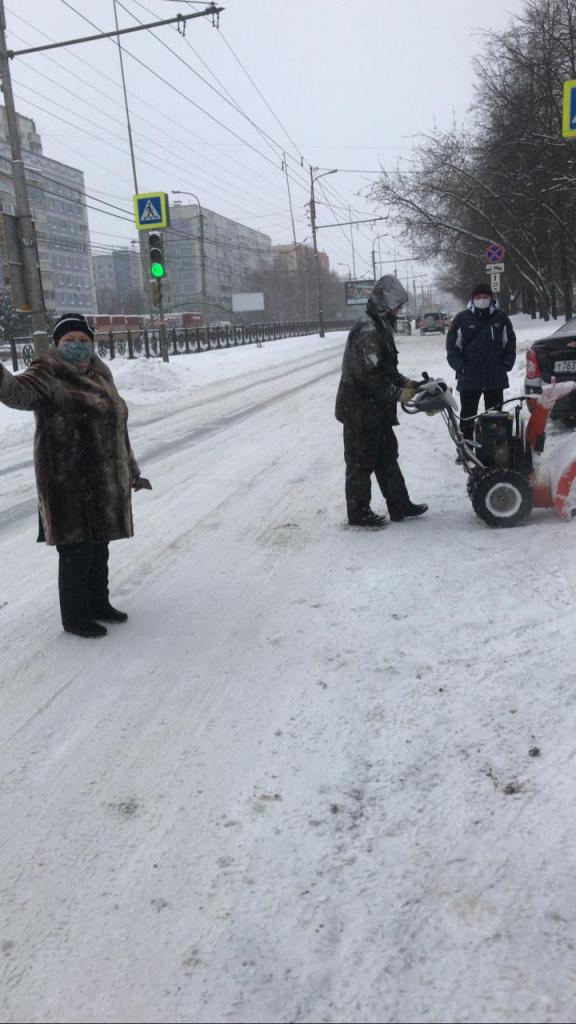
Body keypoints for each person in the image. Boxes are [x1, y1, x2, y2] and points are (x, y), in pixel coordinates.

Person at [0, 313, 150, 639]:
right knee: (76, 552)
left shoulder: (100, 372)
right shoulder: (47, 373)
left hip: (106, 481)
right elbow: (14, 392)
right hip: (67, 483)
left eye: (84, 341)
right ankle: (75, 618)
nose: (78, 347)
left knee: (100, 547)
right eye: (69, 341)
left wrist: (132, 471)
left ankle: (99, 603)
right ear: (57, 344)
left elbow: (117, 430)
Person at [335, 275, 429, 528]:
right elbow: (369, 377)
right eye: (396, 304)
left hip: (376, 411)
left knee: (387, 458)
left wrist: (405, 383)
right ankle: (359, 514)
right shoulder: (368, 330)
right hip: (360, 412)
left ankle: (400, 505)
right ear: (384, 303)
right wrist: (398, 394)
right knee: (360, 464)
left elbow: (386, 369)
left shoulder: (380, 324)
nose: (399, 309)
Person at [446, 283, 516, 453]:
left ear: (491, 298)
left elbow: (510, 344)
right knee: (467, 416)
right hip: (469, 377)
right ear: (472, 299)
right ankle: (466, 449)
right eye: (478, 297)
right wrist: (460, 367)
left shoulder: (501, 318)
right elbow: (452, 348)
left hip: (495, 377)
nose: (482, 300)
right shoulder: (462, 319)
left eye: (485, 297)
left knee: (495, 417)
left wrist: (507, 364)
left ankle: (493, 449)